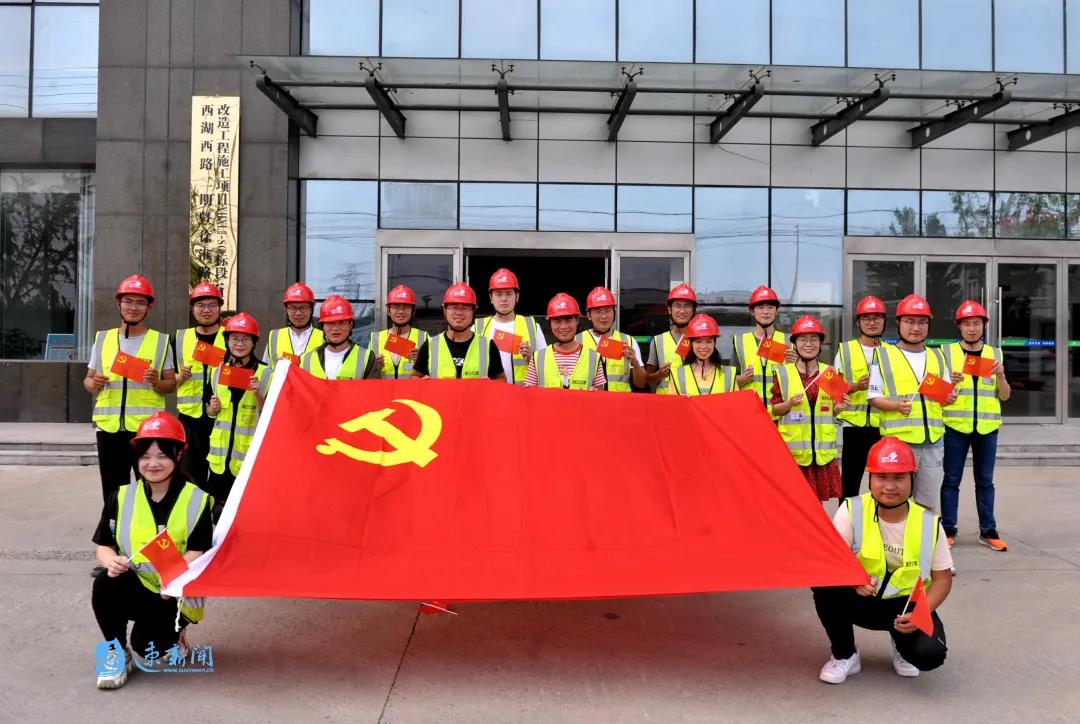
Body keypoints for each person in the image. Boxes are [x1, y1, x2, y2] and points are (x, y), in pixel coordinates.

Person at [813, 437, 952, 684]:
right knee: (823, 583)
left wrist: (921, 613)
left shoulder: (929, 523)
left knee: (930, 655)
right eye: (881, 477)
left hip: (904, 607)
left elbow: (942, 579)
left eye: (899, 478)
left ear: (912, 478)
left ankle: (902, 646)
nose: (889, 486)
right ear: (870, 478)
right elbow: (830, 560)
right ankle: (845, 654)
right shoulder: (852, 510)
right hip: (861, 599)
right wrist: (854, 580)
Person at [91, 411, 213, 689]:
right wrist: (111, 561)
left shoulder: (197, 500)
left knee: (149, 649)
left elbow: (198, 550)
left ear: (179, 454)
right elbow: (104, 545)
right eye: (145, 456)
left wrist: (173, 578)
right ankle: (116, 653)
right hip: (136, 583)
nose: (153, 464)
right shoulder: (121, 496)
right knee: (105, 582)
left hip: (173, 593)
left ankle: (175, 634)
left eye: (162, 456)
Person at [84, 275, 176, 502]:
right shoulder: (103, 339)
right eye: (128, 301)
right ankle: (115, 523)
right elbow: (88, 380)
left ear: (149, 307)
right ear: (119, 303)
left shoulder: (161, 341)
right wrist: (93, 383)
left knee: (152, 488)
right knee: (113, 490)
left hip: (147, 430)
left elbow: (171, 384)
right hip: (109, 428)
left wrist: (157, 382)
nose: (133, 307)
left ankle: (148, 523)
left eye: (140, 302)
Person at [868, 295, 958, 514]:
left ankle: (923, 536)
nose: (916, 328)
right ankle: (893, 536)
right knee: (894, 499)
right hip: (898, 443)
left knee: (927, 502)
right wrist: (895, 406)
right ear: (899, 323)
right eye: (910, 321)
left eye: (922, 322)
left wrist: (949, 398)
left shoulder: (938, 356)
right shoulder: (884, 355)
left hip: (933, 441)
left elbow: (945, 396)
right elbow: (873, 397)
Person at [941, 300, 1011, 551]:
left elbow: (1005, 396)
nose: (972, 328)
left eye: (976, 323)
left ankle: (988, 531)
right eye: (967, 324)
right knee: (951, 480)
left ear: (984, 326)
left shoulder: (995, 354)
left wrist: (1001, 375)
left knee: (985, 481)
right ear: (959, 327)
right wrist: (949, 382)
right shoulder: (945, 353)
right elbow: (936, 394)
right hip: (955, 427)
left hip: (987, 428)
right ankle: (948, 529)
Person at [770, 315, 849, 502]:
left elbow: (830, 412)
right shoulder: (783, 373)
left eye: (814, 339)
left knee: (817, 506)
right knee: (793, 504)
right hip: (795, 455)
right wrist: (789, 404)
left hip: (821, 456)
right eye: (803, 339)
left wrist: (839, 408)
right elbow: (774, 410)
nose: (808, 344)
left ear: (821, 343)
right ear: (795, 344)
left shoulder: (829, 373)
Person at [205, 313, 271, 511]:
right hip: (219, 459)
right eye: (234, 338)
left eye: (245, 339)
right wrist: (212, 409)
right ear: (227, 340)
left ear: (254, 342)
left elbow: (271, 415)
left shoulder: (266, 373)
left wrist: (257, 394)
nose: (239, 344)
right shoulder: (217, 371)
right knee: (216, 513)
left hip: (246, 459)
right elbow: (209, 411)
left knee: (245, 511)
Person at [172, 282, 225, 485]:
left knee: (220, 478)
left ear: (219, 308)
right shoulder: (180, 338)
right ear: (192, 308)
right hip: (189, 420)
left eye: (212, 305)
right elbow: (166, 380)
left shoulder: (231, 337)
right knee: (189, 477)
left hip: (222, 417)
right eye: (201, 305)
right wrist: (178, 378)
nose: (206, 310)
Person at [834, 295, 886, 498]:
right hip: (853, 426)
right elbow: (833, 390)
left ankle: (878, 517)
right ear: (858, 322)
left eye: (876, 318)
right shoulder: (845, 350)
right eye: (866, 318)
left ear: (884, 321)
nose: (872, 322)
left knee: (883, 482)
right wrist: (855, 387)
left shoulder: (891, 352)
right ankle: (845, 519)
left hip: (883, 425)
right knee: (849, 482)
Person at [413, 283, 505, 380]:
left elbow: (501, 379)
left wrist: (492, 384)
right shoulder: (430, 345)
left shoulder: (488, 346)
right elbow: (414, 376)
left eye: (465, 308)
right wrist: (422, 383)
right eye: (454, 307)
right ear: (444, 310)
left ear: (474, 311)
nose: (459, 313)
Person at [474, 268, 546, 384]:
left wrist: (531, 360)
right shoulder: (477, 328)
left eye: (509, 293)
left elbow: (547, 368)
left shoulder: (532, 327)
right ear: (491, 298)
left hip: (522, 393)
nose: (504, 299)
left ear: (517, 296)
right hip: (489, 394)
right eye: (498, 294)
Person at [734, 285, 797, 409]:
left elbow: (802, 381)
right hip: (750, 413)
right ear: (752, 311)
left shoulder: (789, 341)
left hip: (780, 413)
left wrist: (796, 363)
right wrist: (744, 378)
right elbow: (727, 382)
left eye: (770, 307)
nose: (766, 312)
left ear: (776, 311)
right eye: (760, 307)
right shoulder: (740, 342)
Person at [525, 293, 605, 390]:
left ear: (577, 321)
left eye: (568, 319)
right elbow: (529, 395)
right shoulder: (537, 358)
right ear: (550, 323)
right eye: (557, 320)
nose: (563, 326)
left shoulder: (594, 358)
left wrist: (594, 393)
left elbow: (600, 394)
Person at [577, 286, 646, 392]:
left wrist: (635, 363)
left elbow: (641, 384)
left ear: (614, 313)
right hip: (589, 401)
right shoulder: (577, 341)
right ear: (588, 315)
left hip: (620, 401)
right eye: (598, 311)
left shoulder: (628, 341)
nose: (604, 316)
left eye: (608, 311)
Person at [299, 295, 376, 380]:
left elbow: (373, 388)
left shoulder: (367, 357)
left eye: (341, 323)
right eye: (330, 323)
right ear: (322, 326)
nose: (335, 328)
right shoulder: (305, 360)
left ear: (350, 325)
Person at [645, 283, 697, 394]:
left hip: (694, 401)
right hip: (666, 402)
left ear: (693, 310)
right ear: (669, 309)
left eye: (687, 306)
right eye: (677, 306)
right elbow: (648, 379)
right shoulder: (658, 341)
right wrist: (659, 374)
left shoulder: (702, 340)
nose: (682, 311)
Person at [671, 313, 738, 396]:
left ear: (714, 343)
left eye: (708, 341)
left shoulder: (729, 374)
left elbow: (736, 403)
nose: (703, 347)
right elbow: (671, 404)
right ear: (691, 343)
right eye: (698, 342)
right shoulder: (678, 375)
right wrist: (681, 401)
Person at [370, 284, 429, 379]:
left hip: (412, 389)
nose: (401, 311)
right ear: (388, 310)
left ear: (413, 311)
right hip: (384, 389)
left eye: (406, 307)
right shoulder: (375, 339)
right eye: (396, 306)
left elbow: (433, 374)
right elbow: (366, 377)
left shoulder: (424, 338)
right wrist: (373, 368)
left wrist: (423, 363)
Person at [262, 282, 324, 365]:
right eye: (293, 308)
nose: (298, 313)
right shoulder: (274, 337)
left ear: (311, 309)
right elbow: (266, 369)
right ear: (286, 309)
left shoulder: (323, 337)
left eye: (303, 307)